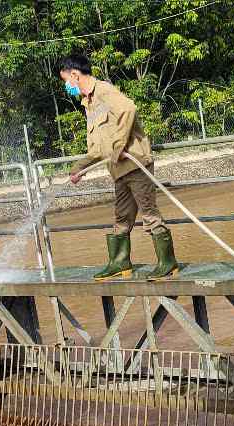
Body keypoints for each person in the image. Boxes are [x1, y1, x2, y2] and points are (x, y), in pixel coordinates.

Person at [58, 54, 179, 281]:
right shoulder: (88, 104)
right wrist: (79, 168)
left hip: (135, 163)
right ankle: (120, 263)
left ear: (75, 74)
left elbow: (128, 110)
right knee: (122, 217)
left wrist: (119, 145)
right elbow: (96, 149)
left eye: (66, 81)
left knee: (149, 213)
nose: (67, 87)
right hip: (118, 171)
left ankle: (168, 263)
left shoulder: (103, 91)